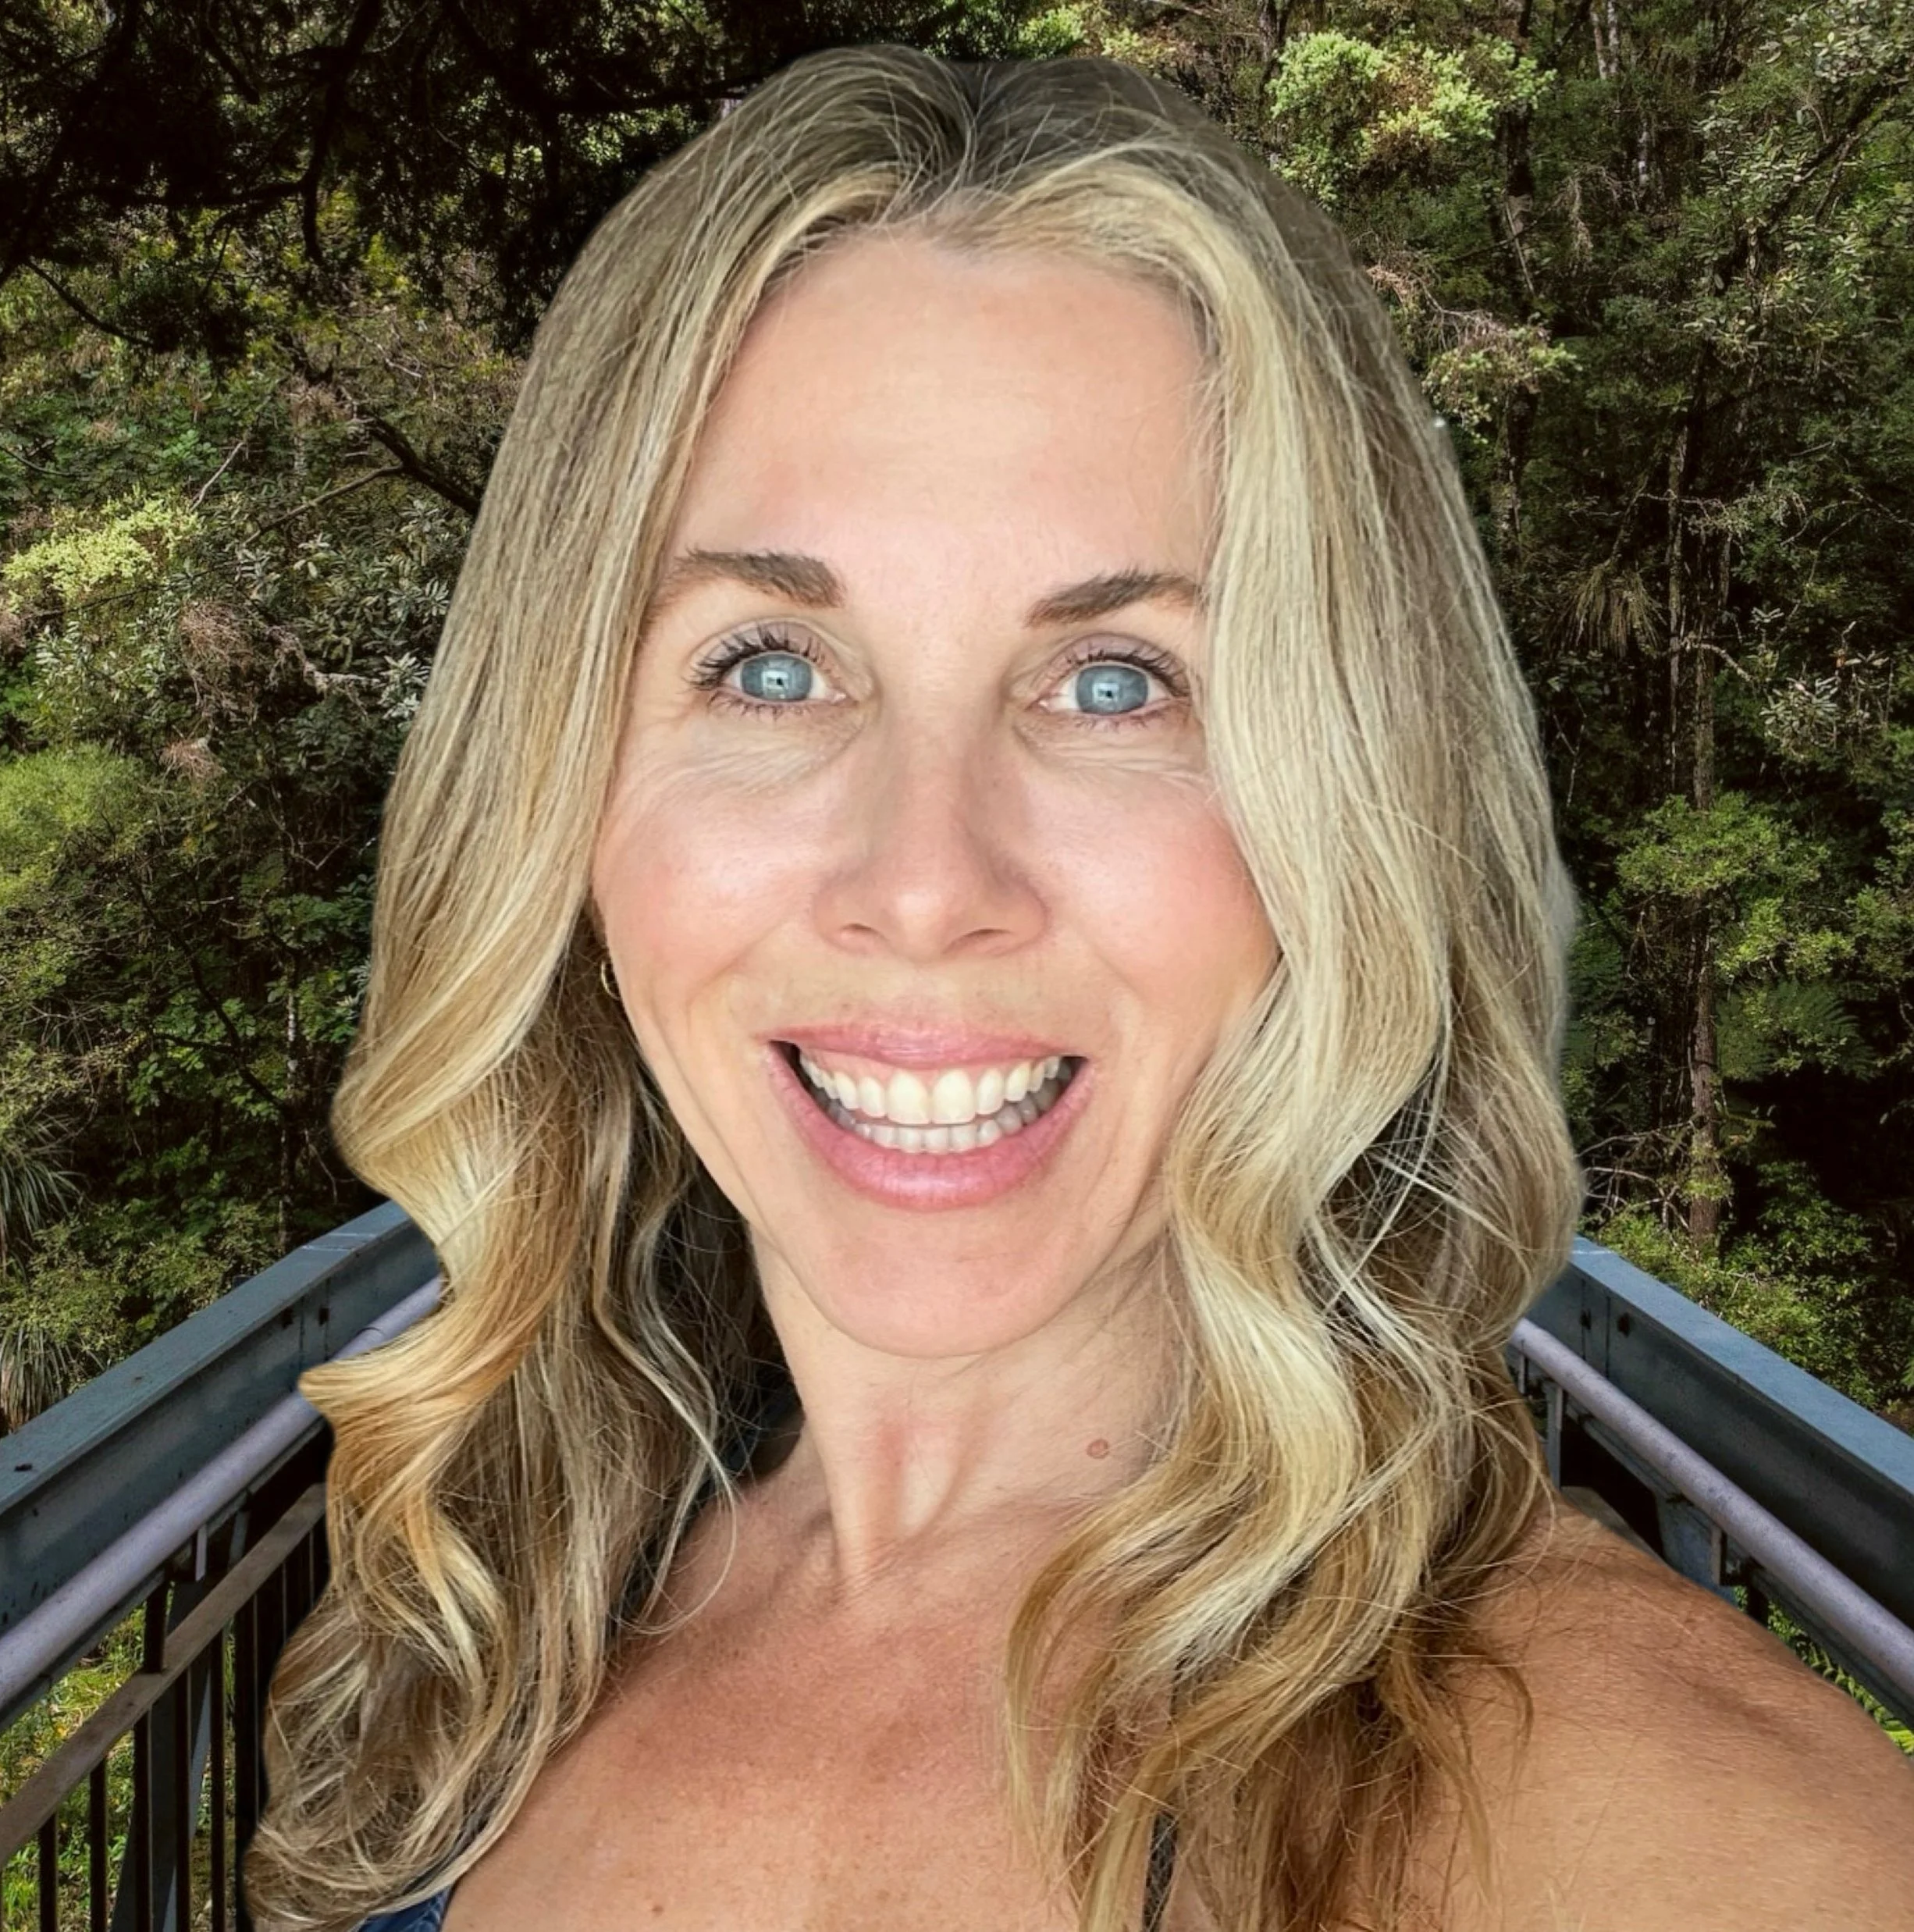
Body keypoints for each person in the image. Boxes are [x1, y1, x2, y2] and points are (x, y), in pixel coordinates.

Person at [241, 44, 1914, 1932]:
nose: (924, 883)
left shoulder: (1602, 1792)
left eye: (1117, 679)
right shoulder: (496, 1618)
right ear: (556, 781)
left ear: (1340, 812)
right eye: (770, 666)